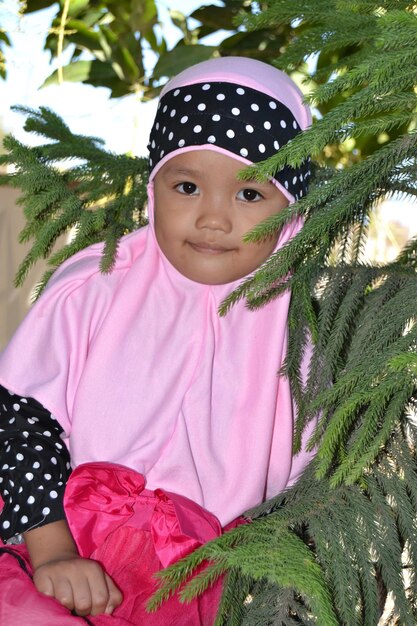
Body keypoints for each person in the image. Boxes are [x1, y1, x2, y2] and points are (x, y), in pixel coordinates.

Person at [0, 56, 314, 625]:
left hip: (200, 581)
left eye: (249, 194)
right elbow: (23, 413)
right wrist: (52, 550)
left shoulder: (297, 331)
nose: (213, 219)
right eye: (188, 186)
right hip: (58, 538)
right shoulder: (98, 283)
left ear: (290, 209)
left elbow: (310, 484)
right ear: (154, 187)